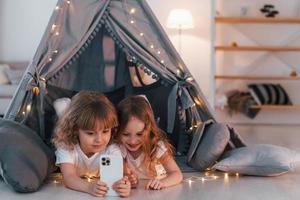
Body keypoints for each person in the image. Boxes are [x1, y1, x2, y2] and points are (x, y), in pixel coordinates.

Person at [52, 91, 131, 197]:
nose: (99, 139)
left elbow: (117, 178)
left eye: (105, 131)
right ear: (76, 129)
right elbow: (69, 177)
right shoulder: (67, 146)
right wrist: (89, 187)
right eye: (90, 133)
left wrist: (124, 186)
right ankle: (63, 111)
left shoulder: (111, 149)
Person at [114, 95, 183, 190]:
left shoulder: (156, 147)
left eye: (139, 134)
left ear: (149, 129)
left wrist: (162, 183)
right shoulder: (117, 147)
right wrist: (128, 180)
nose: (132, 141)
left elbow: (176, 174)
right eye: (126, 134)